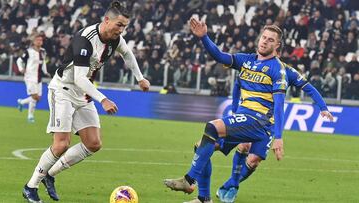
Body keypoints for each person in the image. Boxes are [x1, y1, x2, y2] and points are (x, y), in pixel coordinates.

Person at [22, 1, 150, 203]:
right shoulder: (85, 39)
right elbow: (78, 78)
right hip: (63, 90)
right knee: (61, 145)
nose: (122, 29)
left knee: (93, 143)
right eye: (119, 25)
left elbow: (128, 54)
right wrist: (103, 99)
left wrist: (140, 77)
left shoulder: (115, 39)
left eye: (124, 26)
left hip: (83, 94)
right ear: (106, 20)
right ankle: (31, 186)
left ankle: (50, 174)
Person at [164, 18, 288, 203]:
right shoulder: (246, 60)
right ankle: (204, 199)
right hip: (244, 117)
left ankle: (189, 180)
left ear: (277, 45)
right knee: (201, 146)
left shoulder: (277, 69)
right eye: (264, 37)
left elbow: (279, 104)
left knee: (212, 127)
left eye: (271, 40)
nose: (265, 41)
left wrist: (278, 136)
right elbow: (220, 56)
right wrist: (204, 37)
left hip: (259, 122)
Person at [215, 62, 334, 203]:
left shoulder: (286, 71)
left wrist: (323, 107)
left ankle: (228, 185)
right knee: (244, 145)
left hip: (268, 123)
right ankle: (232, 187)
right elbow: (237, 85)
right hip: (250, 116)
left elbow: (309, 88)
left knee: (254, 161)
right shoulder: (253, 65)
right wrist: (235, 110)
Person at [17, 34, 50, 123]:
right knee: (35, 97)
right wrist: (21, 69)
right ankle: (30, 115)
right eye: (37, 40)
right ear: (34, 41)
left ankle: (22, 103)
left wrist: (46, 72)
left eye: (41, 40)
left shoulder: (43, 51)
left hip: (39, 77)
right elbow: (19, 60)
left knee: (38, 98)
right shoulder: (28, 51)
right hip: (30, 76)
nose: (39, 41)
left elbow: (43, 63)